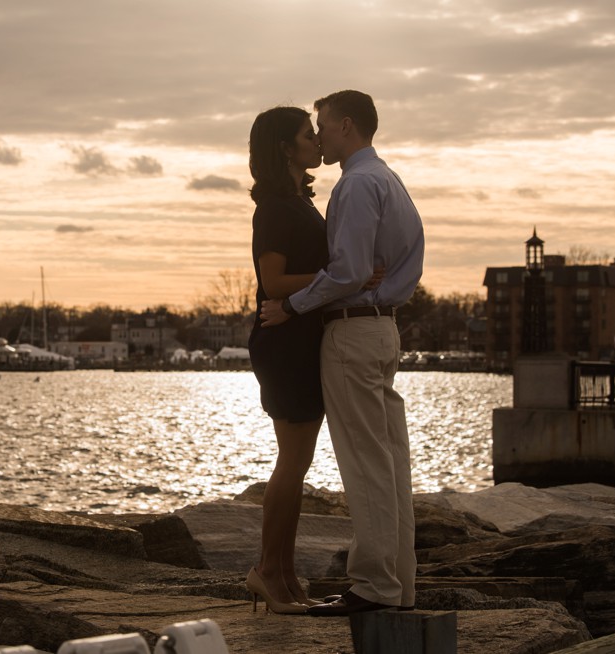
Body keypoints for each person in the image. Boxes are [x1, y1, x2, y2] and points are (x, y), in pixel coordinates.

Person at [260, 90, 424, 617]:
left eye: (323, 127)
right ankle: (399, 585)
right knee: (392, 462)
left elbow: (349, 273)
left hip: (353, 332)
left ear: (346, 125)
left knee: (366, 463)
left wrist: (293, 305)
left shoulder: (354, 185)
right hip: (383, 329)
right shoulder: (389, 180)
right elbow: (406, 263)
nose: (320, 135)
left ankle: (374, 587)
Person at [243, 106, 382, 615]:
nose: (316, 141)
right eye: (308, 134)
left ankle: (282, 573)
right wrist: (347, 278)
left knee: (297, 463)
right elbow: (272, 284)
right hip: (283, 342)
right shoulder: (276, 209)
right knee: (293, 461)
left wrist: (341, 276)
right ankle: (269, 572)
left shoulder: (298, 201)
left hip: (302, 337)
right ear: (285, 147)